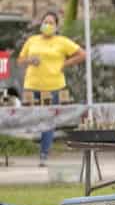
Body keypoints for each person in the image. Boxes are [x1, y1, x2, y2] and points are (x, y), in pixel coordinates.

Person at [18, 11, 85, 166]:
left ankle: (44, 154)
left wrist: (64, 64)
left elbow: (82, 54)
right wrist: (30, 60)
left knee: (48, 120)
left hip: (53, 87)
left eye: (51, 23)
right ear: (41, 24)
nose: (47, 25)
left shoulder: (62, 42)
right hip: (32, 86)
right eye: (45, 22)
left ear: (56, 26)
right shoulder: (32, 40)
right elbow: (21, 60)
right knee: (31, 118)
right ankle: (33, 144)